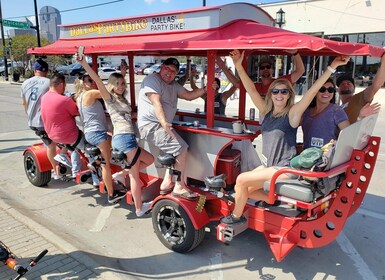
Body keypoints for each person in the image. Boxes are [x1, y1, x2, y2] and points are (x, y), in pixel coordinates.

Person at [220, 49, 349, 224]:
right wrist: (238, 66)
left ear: (289, 95)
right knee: (240, 187)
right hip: (269, 166)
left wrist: (332, 67)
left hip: (284, 169)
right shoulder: (266, 112)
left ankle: (236, 217)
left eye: (284, 92)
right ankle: (271, 199)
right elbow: (250, 88)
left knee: (242, 179)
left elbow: (312, 92)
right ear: (270, 94)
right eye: (275, 91)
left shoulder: (292, 114)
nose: (279, 95)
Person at [77, 54, 154, 216]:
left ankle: (120, 174)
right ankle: (139, 208)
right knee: (134, 176)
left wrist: (123, 72)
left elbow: (125, 114)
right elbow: (98, 81)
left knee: (150, 159)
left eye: (122, 83)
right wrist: (84, 63)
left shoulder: (119, 98)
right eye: (117, 84)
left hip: (126, 138)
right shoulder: (109, 98)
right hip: (124, 138)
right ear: (111, 86)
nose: (121, 86)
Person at [138, 57, 206, 200]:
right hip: (152, 125)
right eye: (167, 69)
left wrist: (207, 89)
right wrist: (163, 122)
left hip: (160, 125)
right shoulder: (152, 80)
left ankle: (167, 182)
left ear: (176, 74)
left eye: (173, 71)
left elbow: (189, 95)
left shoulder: (173, 85)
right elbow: (156, 102)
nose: (169, 73)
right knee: (181, 148)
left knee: (176, 149)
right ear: (161, 67)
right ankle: (179, 186)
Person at [75, 74, 127, 203]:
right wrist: (119, 81)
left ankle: (94, 163)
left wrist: (120, 78)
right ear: (83, 83)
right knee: (106, 165)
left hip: (90, 133)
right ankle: (111, 194)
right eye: (89, 80)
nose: (92, 82)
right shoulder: (90, 94)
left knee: (111, 146)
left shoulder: (79, 97)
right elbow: (109, 92)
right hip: (97, 133)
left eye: (93, 80)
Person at [302, 79, 381, 149]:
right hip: (305, 159)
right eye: (322, 89)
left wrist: (360, 117)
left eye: (330, 89)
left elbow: (348, 135)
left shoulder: (337, 111)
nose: (326, 92)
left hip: (325, 161)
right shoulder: (305, 111)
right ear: (314, 91)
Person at [337, 53, 385, 123]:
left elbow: (375, 86)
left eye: (349, 83)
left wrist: (383, 62)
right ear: (338, 89)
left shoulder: (359, 98)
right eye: (342, 84)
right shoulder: (337, 109)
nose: (346, 85)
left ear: (354, 88)